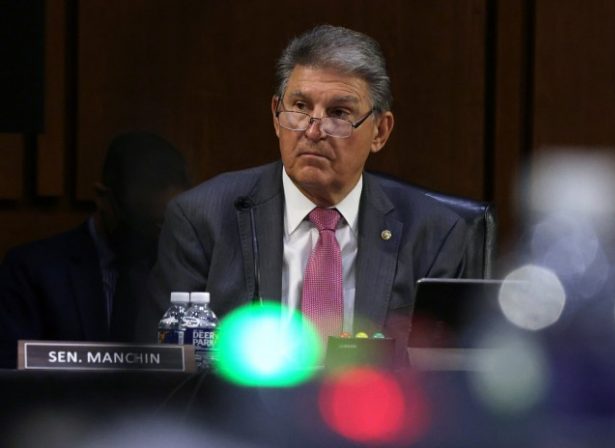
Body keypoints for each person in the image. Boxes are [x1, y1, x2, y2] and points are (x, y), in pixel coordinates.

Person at [138, 25, 470, 359]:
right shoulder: (202, 218)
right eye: (299, 107)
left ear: (380, 132)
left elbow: (442, 376)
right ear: (275, 116)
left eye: (338, 113)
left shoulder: (432, 234)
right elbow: (165, 367)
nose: (313, 131)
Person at [0, 132, 189, 367]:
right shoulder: (32, 270)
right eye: (141, 223)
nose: (155, 237)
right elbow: (11, 367)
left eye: (165, 225)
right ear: (102, 198)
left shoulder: (182, 270)